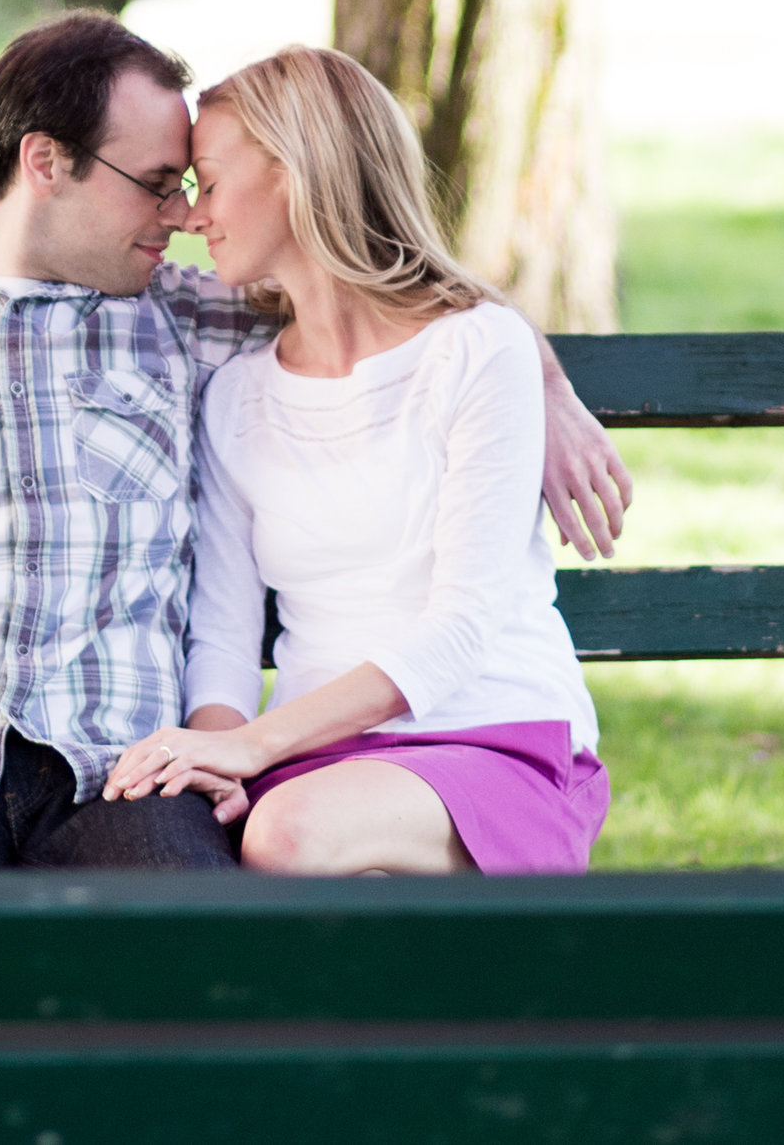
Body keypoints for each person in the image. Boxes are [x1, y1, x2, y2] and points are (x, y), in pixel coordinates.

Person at [0, 9, 633, 874]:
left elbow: (386, 289)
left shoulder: (190, 322)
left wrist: (543, 378)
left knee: (203, 950)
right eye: (159, 183)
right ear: (44, 160)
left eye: (191, 184)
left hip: (116, 776)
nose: (182, 216)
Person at [103, 45, 609, 877]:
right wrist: (219, 757)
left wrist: (254, 749)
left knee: (288, 836)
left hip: (492, 732)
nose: (192, 217)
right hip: (317, 762)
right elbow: (224, 634)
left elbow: (461, 626)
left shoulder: (474, 350)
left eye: (211, 180)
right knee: (296, 851)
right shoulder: (237, 397)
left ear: (298, 172)